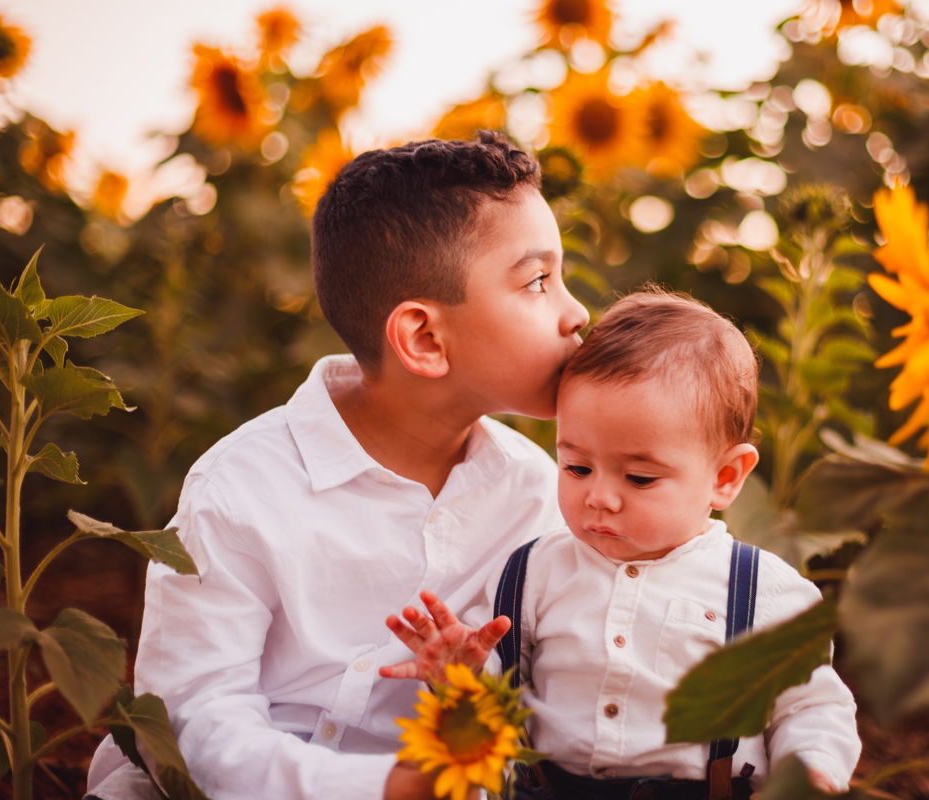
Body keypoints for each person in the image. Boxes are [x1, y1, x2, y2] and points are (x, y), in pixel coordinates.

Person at [84, 132, 590, 800]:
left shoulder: (540, 495)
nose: (576, 312)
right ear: (425, 338)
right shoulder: (239, 492)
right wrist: (384, 786)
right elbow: (194, 721)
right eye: (537, 282)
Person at [382, 289, 861, 798]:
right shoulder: (532, 571)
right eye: (577, 468)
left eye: (638, 478)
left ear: (725, 476)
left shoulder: (767, 592)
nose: (600, 497)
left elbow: (809, 707)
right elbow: (503, 687)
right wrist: (463, 676)